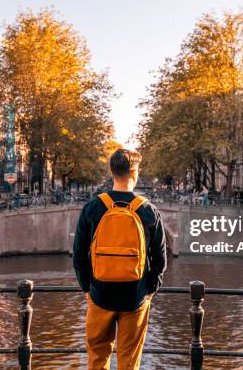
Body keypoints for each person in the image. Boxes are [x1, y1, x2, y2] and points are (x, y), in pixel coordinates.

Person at [73, 149, 167, 370]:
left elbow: (78, 255)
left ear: (111, 172)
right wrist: (149, 290)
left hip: (99, 295)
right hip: (135, 297)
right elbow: (160, 259)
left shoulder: (93, 208)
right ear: (134, 172)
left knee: (97, 358)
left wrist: (87, 288)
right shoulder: (149, 211)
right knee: (129, 361)